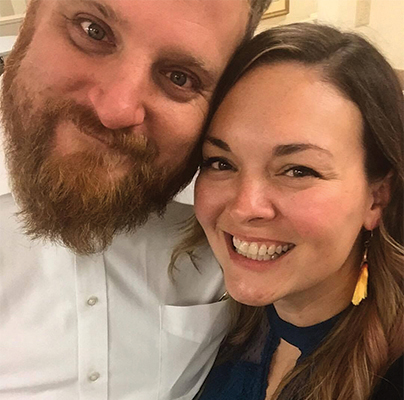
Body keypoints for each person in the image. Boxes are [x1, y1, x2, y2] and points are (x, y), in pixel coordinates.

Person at [0, 0, 272, 399]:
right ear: (31, 15)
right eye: (93, 31)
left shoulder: (233, 213)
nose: (116, 110)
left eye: (180, 77)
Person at [171, 23, 404, 399]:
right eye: (221, 162)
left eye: (298, 170)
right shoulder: (226, 331)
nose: (245, 207)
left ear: (377, 198)